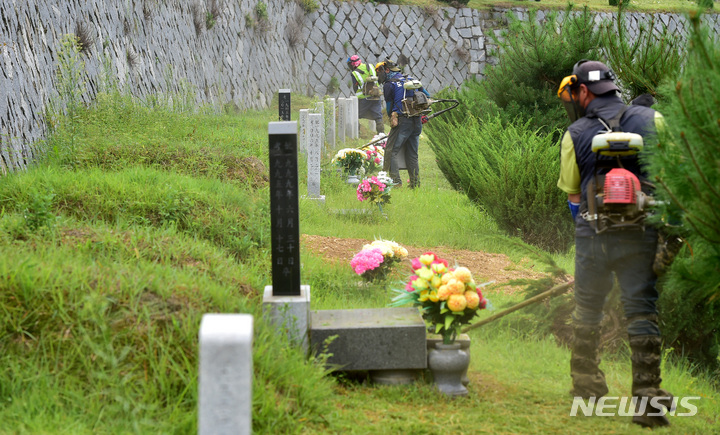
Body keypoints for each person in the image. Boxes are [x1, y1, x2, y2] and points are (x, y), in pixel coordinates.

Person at [556, 60, 673, 428]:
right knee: (641, 310)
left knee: (587, 309)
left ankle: (586, 386)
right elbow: (672, 181)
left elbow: (574, 195)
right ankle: (648, 399)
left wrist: (589, 236)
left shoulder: (574, 133)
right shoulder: (653, 121)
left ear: (584, 93)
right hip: (641, 234)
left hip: (594, 235)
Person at [379, 59, 429, 188]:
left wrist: (392, 117)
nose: (380, 75)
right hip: (416, 120)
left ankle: (396, 182)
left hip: (402, 121)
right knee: (412, 153)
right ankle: (415, 184)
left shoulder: (389, 84)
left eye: (380, 72)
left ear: (387, 70)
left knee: (392, 150)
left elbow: (389, 106)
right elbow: (427, 95)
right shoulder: (410, 79)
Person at [347, 55, 385, 135]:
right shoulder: (370, 66)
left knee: (356, 114)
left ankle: (357, 133)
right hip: (376, 95)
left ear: (352, 64)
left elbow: (355, 87)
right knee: (378, 116)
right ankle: (381, 135)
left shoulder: (355, 73)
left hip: (364, 98)